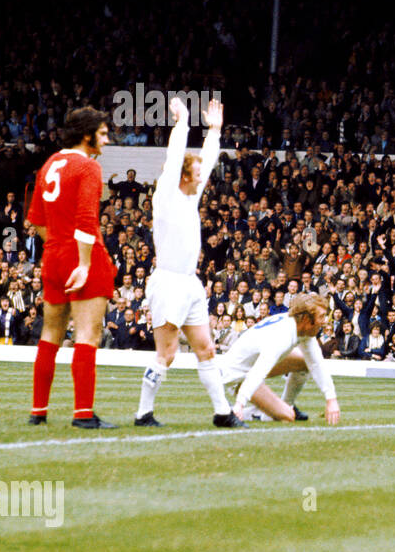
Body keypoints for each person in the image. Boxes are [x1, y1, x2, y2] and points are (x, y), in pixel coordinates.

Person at [134, 96, 244, 428]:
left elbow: (207, 161)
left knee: (206, 350)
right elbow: (174, 158)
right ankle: (143, 413)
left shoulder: (189, 194)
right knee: (166, 355)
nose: (201, 177)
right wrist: (182, 122)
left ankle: (222, 414)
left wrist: (214, 131)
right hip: (168, 283)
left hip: (189, 283)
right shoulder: (166, 195)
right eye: (194, 173)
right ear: (183, 176)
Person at [26, 107, 119, 428]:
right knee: (87, 335)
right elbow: (86, 222)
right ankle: (83, 414)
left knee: (50, 333)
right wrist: (81, 262)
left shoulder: (49, 163)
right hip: (84, 257)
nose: (106, 140)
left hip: (52, 255)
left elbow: (35, 221)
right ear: (86, 134)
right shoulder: (87, 167)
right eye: (103, 134)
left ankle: (38, 412)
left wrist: (59, 245)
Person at [218, 294, 340, 423]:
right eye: (321, 316)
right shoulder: (282, 335)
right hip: (238, 376)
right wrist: (240, 404)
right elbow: (259, 371)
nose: (324, 321)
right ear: (305, 318)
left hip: (251, 365)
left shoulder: (301, 328)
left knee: (304, 361)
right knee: (287, 416)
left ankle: (288, 404)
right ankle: (242, 412)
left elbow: (316, 363)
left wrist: (331, 399)